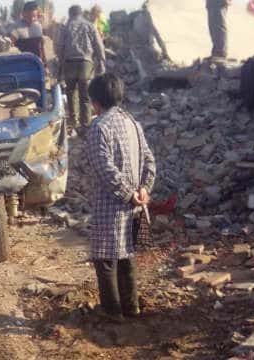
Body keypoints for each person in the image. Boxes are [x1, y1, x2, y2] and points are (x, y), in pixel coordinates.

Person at [86, 73, 156, 322]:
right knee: (126, 255)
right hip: (136, 203)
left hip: (111, 205)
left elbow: (105, 169)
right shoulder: (133, 123)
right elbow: (149, 159)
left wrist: (127, 194)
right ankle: (132, 306)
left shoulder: (98, 127)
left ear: (95, 101)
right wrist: (144, 189)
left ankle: (112, 311)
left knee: (105, 258)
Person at [57, 5, 106, 135]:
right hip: (86, 63)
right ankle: (86, 126)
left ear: (70, 14)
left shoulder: (66, 27)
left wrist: (60, 66)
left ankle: (73, 123)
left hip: (69, 64)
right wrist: (101, 63)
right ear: (81, 13)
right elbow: (99, 46)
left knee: (71, 92)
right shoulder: (90, 25)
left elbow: (59, 46)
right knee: (85, 96)